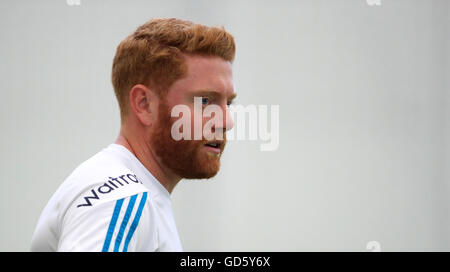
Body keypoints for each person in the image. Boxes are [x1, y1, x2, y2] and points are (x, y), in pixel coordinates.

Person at [30, 18, 236, 252]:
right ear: (145, 104)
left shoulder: (133, 193)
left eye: (228, 103)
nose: (227, 121)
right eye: (205, 101)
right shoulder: (120, 199)